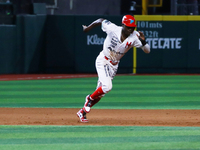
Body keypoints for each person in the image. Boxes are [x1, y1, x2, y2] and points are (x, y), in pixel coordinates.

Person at [77, 15, 150, 122]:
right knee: (107, 87)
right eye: (128, 27)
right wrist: (88, 28)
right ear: (123, 25)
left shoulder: (135, 37)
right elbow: (101, 20)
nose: (131, 29)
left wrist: (143, 41)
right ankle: (89, 98)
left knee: (100, 93)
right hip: (103, 60)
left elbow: (147, 50)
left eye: (133, 27)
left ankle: (82, 112)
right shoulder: (113, 28)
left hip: (114, 65)